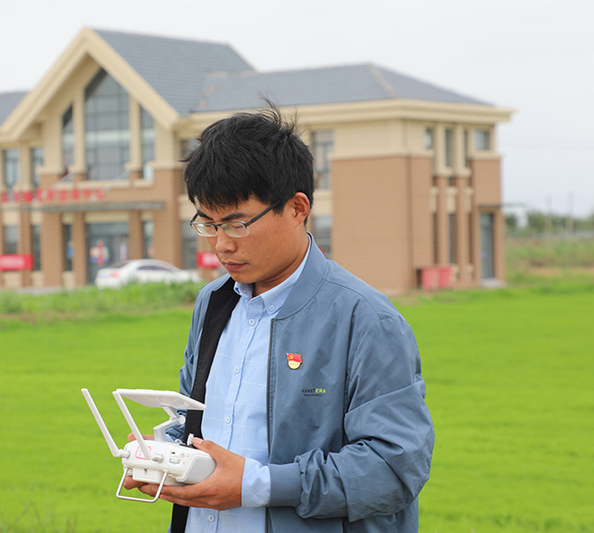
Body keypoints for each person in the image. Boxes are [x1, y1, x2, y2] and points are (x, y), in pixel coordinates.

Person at [124, 104, 434, 532]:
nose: (221, 245)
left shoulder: (365, 319)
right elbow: (193, 422)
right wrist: (163, 453)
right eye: (208, 224)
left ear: (297, 208)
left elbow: (394, 468)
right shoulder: (213, 302)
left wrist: (257, 485)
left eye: (236, 224)